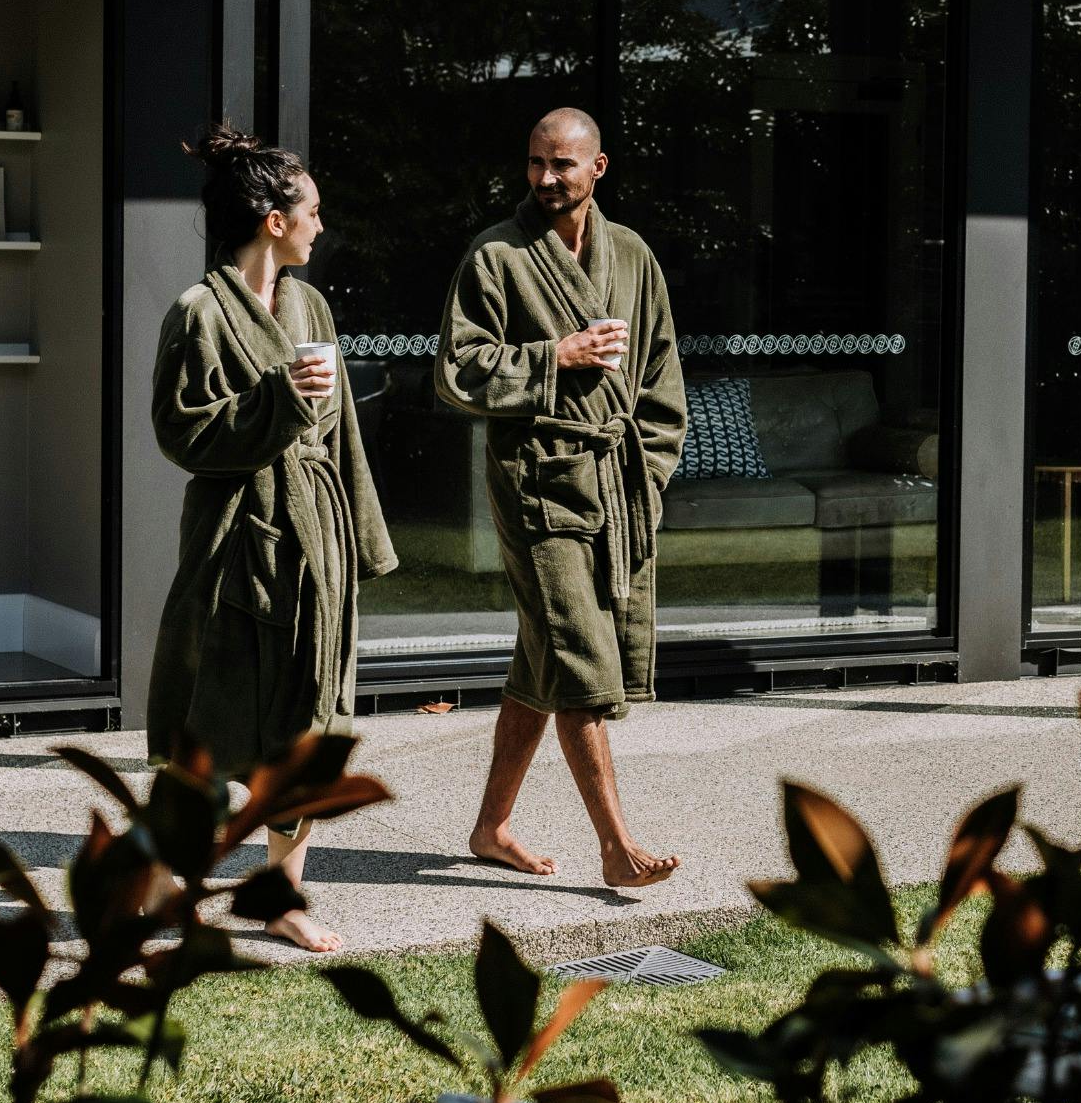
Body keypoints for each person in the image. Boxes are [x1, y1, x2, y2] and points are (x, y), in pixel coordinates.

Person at [147, 125, 396, 952]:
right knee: (211, 726)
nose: (322, 225)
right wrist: (278, 398)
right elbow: (183, 434)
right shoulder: (198, 314)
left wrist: (361, 543)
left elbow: (342, 429)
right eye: (312, 211)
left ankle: (284, 897)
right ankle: (160, 881)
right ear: (274, 219)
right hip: (235, 543)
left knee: (307, 725)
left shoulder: (310, 306)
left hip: (311, 539)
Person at [436, 107, 688, 889]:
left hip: (612, 481)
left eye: (563, 164)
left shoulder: (633, 256)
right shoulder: (497, 256)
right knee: (580, 658)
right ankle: (616, 846)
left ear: (597, 168)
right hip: (536, 483)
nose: (546, 178)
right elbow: (458, 371)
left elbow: (661, 377)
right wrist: (557, 356)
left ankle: (491, 827)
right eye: (535, 163)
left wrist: (648, 473)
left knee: (541, 659)